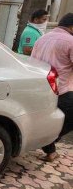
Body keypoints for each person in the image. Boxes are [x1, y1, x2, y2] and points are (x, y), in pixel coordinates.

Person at [31, 13, 73, 161]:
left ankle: (49, 149)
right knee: (65, 120)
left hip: (41, 88)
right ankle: (47, 142)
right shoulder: (70, 41)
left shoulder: (42, 38)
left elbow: (32, 61)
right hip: (62, 90)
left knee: (45, 118)